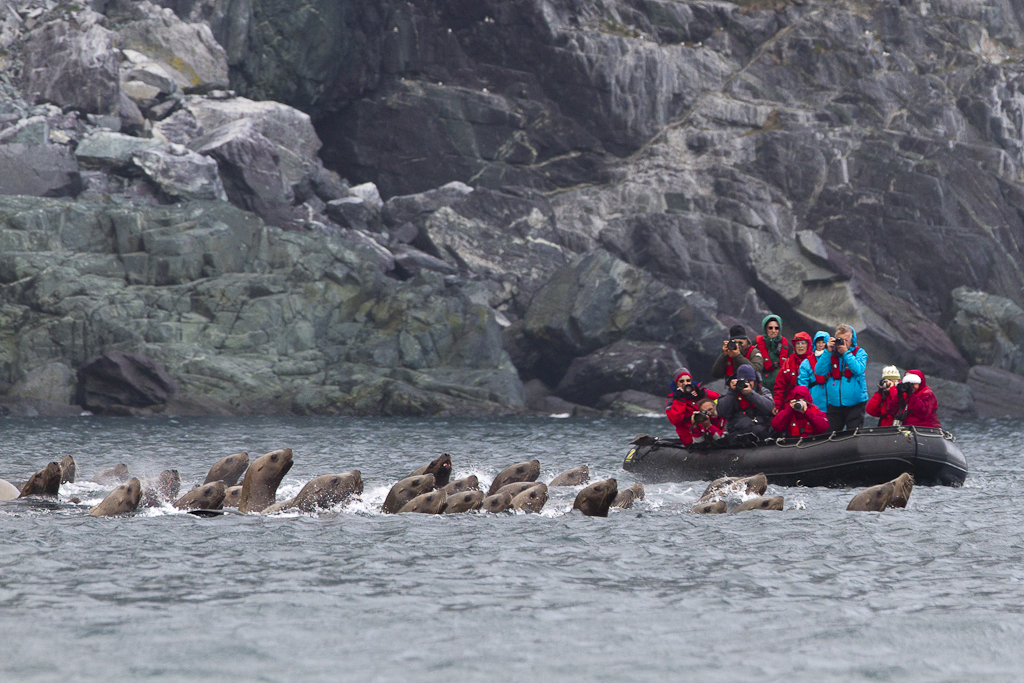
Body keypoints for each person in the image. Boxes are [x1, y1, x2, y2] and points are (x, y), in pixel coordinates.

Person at [813, 324, 869, 432]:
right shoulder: (831, 354)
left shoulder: (860, 353)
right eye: (840, 340)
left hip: (855, 404)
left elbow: (858, 369)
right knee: (829, 435)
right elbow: (819, 371)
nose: (843, 343)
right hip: (834, 404)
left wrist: (846, 353)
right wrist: (827, 351)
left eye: (846, 340)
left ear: (852, 340)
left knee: (853, 434)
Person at [716, 364, 775, 441]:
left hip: (763, 429)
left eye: (749, 381)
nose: (746, 384)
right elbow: (722, 412)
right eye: (743, 381)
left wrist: (751, 394)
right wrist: (732, 392)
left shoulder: (762, 391)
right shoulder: (729, 392)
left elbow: (770, 408)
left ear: (754, 381)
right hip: (739, 432)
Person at [666, 369, 720, 441]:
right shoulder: (673, 399)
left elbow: (719, 398)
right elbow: (675, 420)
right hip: (690, 437)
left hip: (708, 432)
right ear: (676, 384)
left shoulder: (696, 392)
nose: (685, 383)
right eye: (681, 381)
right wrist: (679, 399)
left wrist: (703, 394)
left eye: (688, 380)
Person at [773, 331, 813, 413]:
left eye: (803, 343)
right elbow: (780, 386)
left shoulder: (814, 361)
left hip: (811, 402)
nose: (800, 346)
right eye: (797, 343)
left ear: (808, 345)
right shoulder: (788, 362)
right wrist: (777, 404)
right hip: (791, 403)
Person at [755, 315, 790, 394]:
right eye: (770, 328)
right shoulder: (756, 346)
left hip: (781, 388)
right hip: (761, 387)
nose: (773, 331)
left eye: (776, 328)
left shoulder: (788, 347)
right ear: (765, 329)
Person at [798, 331, 831, 412]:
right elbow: (803, 385)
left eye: (823, 342)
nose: (820, 345)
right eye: (818, 342)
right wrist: (804, 401)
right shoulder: (806, 363)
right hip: (815, 402)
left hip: (833, 404)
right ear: (815, 344)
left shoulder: (834, 359)